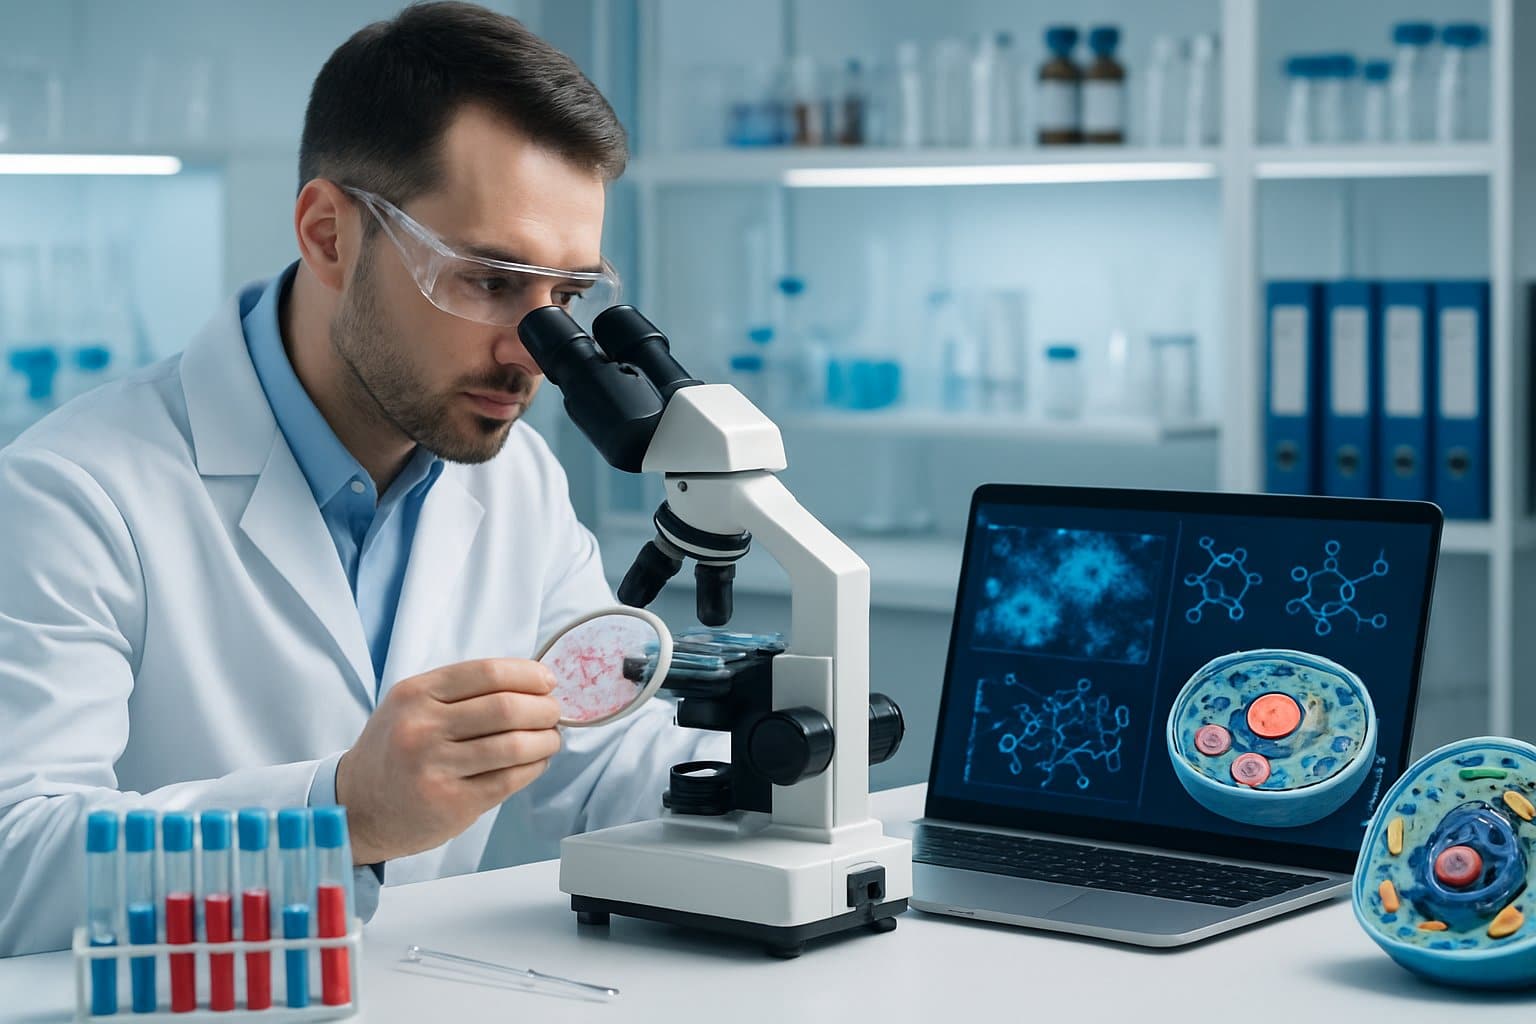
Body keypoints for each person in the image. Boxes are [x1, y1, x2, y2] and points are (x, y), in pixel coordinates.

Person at [0, 1, 724, 956]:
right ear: (330, 234)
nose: (536, 353)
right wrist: (340, 814)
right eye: (489, 278)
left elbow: (597, 758)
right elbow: (15, 868)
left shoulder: (517, 484)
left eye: (567, 297)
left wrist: (777, 775)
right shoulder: (72, 493)